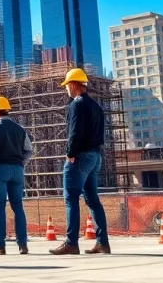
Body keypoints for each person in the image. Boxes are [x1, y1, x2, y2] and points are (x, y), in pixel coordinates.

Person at [49, 68, 110, 256]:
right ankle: (103, 243)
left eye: (67, 85)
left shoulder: (76, 105)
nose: (66, 89)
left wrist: (70, 152)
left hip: (81, 156)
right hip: (95, 156)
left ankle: (71, 243)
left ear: (73, 84)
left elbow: (74, 132)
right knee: (93, 201)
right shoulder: (96, 106)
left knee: (71, 199)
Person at [0, 96, 32, 255]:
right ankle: (22, 244)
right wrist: (21, 163)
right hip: (17, 170)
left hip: (0, 170)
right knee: (18, 206)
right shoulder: (20, 129)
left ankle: (0, 246)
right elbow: (29, 150)